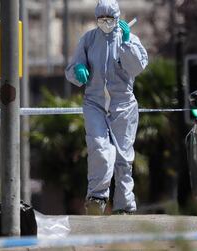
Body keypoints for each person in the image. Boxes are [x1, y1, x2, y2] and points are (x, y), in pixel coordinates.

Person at [65, 0, 148, 215]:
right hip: (95, 103)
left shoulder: (130, 39)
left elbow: (137, 67)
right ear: (96, 19)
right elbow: (71, 68)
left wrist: (127, 44)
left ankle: (125, 205)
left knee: (123, 157)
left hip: (123, 105)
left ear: (118, 18)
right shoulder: (89, 39)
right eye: (101, 19)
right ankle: (97, 198)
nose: (105, 23)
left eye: (109, 19)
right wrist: (79, 70)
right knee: (99, 147)